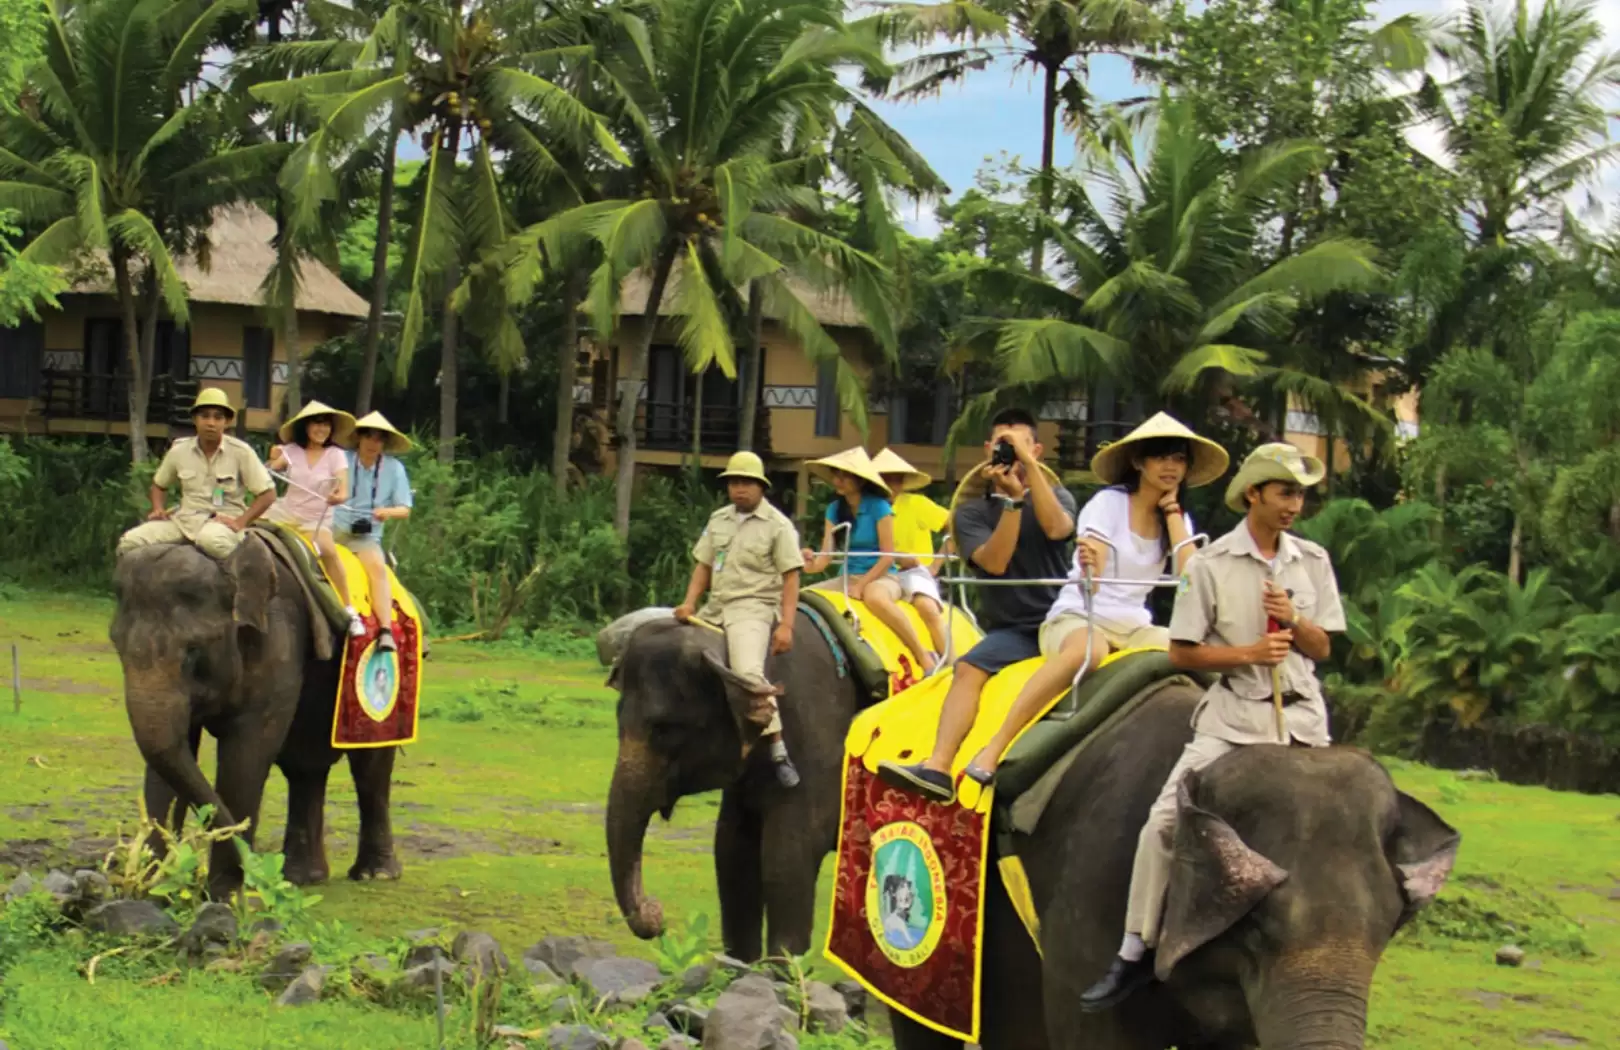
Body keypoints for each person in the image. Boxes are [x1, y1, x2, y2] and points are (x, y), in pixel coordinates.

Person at [1079, 442, 1346, 1011]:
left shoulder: (1313, 562)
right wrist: (1249, 652)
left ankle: (1336, 947)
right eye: (1284, 492)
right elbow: (1182, 653)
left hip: (1302, 720)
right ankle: (1133, 949)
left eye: (1299, 493)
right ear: (1253, 494)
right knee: (1164, 825)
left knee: (1347, 833)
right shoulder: (1210, 565)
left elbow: (1322, 646)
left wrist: (1295, 619)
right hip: (1235, 718)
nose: (1294, 504)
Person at [960, 414, 1229, 785]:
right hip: (1080, 614)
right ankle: (995, 748)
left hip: (1135, 625)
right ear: (1139, 462)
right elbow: (1094, 579)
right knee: (1090, 650)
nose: (1171, 466)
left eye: (1179, 459)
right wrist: (1090, 562)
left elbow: (1190, 579)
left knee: (1196, 652)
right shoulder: (1108, 503)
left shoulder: (1177, 520)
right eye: (1161, 457)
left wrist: (1171, 513)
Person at [876, 408, 1077, 803]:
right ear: (988, 450)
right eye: (1004, 444)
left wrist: (1029, 475)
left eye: (1021, 445)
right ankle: (938, 765)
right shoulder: (969, 514)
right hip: (1013, 631)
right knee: (967, 667)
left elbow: (1058, 529)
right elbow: (996, 562)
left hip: (1064, 619)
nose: (1013, 453)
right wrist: (1013, 505)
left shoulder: (1060, 497)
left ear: (1036, 449)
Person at [675, 451, 805, 787]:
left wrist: (786, 625)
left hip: (753, 606)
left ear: (761, 487)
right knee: (669, 650)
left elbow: (791, 577)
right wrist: (689, 603)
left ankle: (777, 748)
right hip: (715, 607)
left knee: (747, 672)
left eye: (746, 482)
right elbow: (703, 565)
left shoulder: (778, 526)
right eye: (734, 482)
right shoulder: (719, 520)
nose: (739, 489)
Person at [802, 447, 938, 676]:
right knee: (803, 596)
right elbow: (826, 556)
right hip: (847, 576)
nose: (838, 480)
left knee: (875, 598)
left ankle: (924, 656)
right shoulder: (835, 509)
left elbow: (888, 556)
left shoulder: (879, 506)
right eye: (836, 474)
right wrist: (809, 563)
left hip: (883, 575)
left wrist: (862, 585)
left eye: (845, 475)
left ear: (860, 480)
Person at [117, 388, 275, 561]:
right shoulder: (179, 450)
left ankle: (244, 580)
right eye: (205, 416)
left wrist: (241, 522)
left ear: (227, 422)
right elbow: (159, 485)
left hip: (222, 523)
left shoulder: (241, 452)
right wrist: (158, 508)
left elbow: (268, 494)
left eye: (218, 417)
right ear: (195, 419)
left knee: (212, 541)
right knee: (130, 541)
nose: (211, 423)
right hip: (184, 521)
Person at [267, 401, 366, 638]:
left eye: (326, 425)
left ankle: (348, 610)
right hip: (286, 512)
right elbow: (269, 471)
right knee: (247, 531)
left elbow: (344, 489)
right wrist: (271, 460)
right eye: (316, 424)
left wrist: (338, 496)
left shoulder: (336, 455)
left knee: (328, 551)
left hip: (316, 519)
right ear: (306, 427)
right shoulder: (291, 451)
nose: (321, 429)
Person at [337, 411, 414, 651]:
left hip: (366, 536)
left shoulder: (394, 468)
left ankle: (385, 631)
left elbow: (405, 509)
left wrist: (386, 512)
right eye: (368, 436)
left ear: (385, 443)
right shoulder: (341, 459)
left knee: (378, 570)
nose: (373, 443)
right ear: (358, 438)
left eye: (379, 438)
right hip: (334, 527)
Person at [870, 448, 952, 663]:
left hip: (912, 573)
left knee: (927, 608)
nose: (891, 485)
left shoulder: (916, 503)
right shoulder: (864, 507)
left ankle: (953, 665)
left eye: (897, 480)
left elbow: (956, 529)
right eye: (885, 479)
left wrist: (935, 566)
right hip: (875, 571)